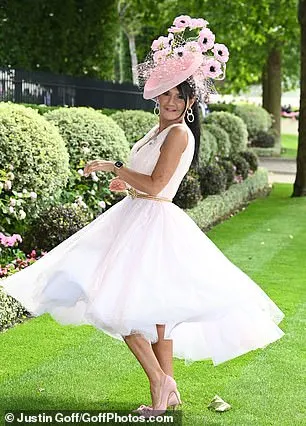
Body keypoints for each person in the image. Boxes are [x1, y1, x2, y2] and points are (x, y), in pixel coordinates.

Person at [0, 15, 285, 418]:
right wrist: (127, 184)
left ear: (190, 102)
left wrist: (115, 167)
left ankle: (159, 379)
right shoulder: (156, 131)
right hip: (137, 217)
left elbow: (157, 187)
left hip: (153, 226)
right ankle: (165, 394)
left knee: (116, 307)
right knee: (155, 317)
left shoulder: (180, 134)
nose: (170, 102)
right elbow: (146, 184)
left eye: (178, 97)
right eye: (165, 94)